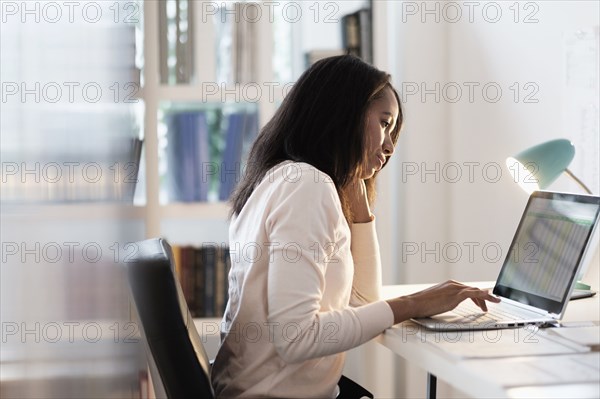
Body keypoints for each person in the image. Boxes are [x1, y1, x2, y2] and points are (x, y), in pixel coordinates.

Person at [210, 55, 499, 398]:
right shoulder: (306, 185)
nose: (390, 147)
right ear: (343, 115)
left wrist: (358, 201)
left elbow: (363, 300)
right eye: (384, 123)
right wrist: (414, 303)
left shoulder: (283, 178)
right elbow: (296, 338)